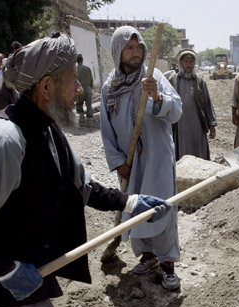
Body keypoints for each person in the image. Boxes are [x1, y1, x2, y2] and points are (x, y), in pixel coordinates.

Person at [0, 32, 172, 307]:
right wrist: (7, 271)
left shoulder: (47, 128)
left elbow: (81, 185)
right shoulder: (5, 139)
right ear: (46, 86)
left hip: (16, 277)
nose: (80, 88)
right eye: (72, 79)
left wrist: (132, 203)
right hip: (2, 287)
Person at [100, 26, 182, 291]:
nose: (136, 53)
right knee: (135, 209)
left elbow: (176, 111)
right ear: (118, 51)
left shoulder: (153, 76)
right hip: (130, 163)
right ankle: (147, 257)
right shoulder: (109, 87)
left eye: (139, 48)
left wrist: (157, 96)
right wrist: (117, 161)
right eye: (129, 48)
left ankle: (168, 264)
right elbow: (106, 129)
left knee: (162, 208)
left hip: (158, 158)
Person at [168, 49, 217, 160]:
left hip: (197, 124)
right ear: (181, 63)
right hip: (179, 125)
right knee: (180, 153)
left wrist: (212, 124)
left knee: (198, 153)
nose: (188, 65)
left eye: (191, 62)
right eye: (186, 62)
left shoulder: (200, 81)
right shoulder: (173, 79)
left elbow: (207, 103)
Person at [75, 54, 94, 121]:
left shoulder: (75, 70)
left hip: (80, 89)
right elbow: (91, 80)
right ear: (82, 60)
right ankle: (90, 121)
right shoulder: (87, 68)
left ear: (76, 61)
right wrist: (90, 88)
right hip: (88, 89)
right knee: (89, 105)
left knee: (79, 104)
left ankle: (82, 118)